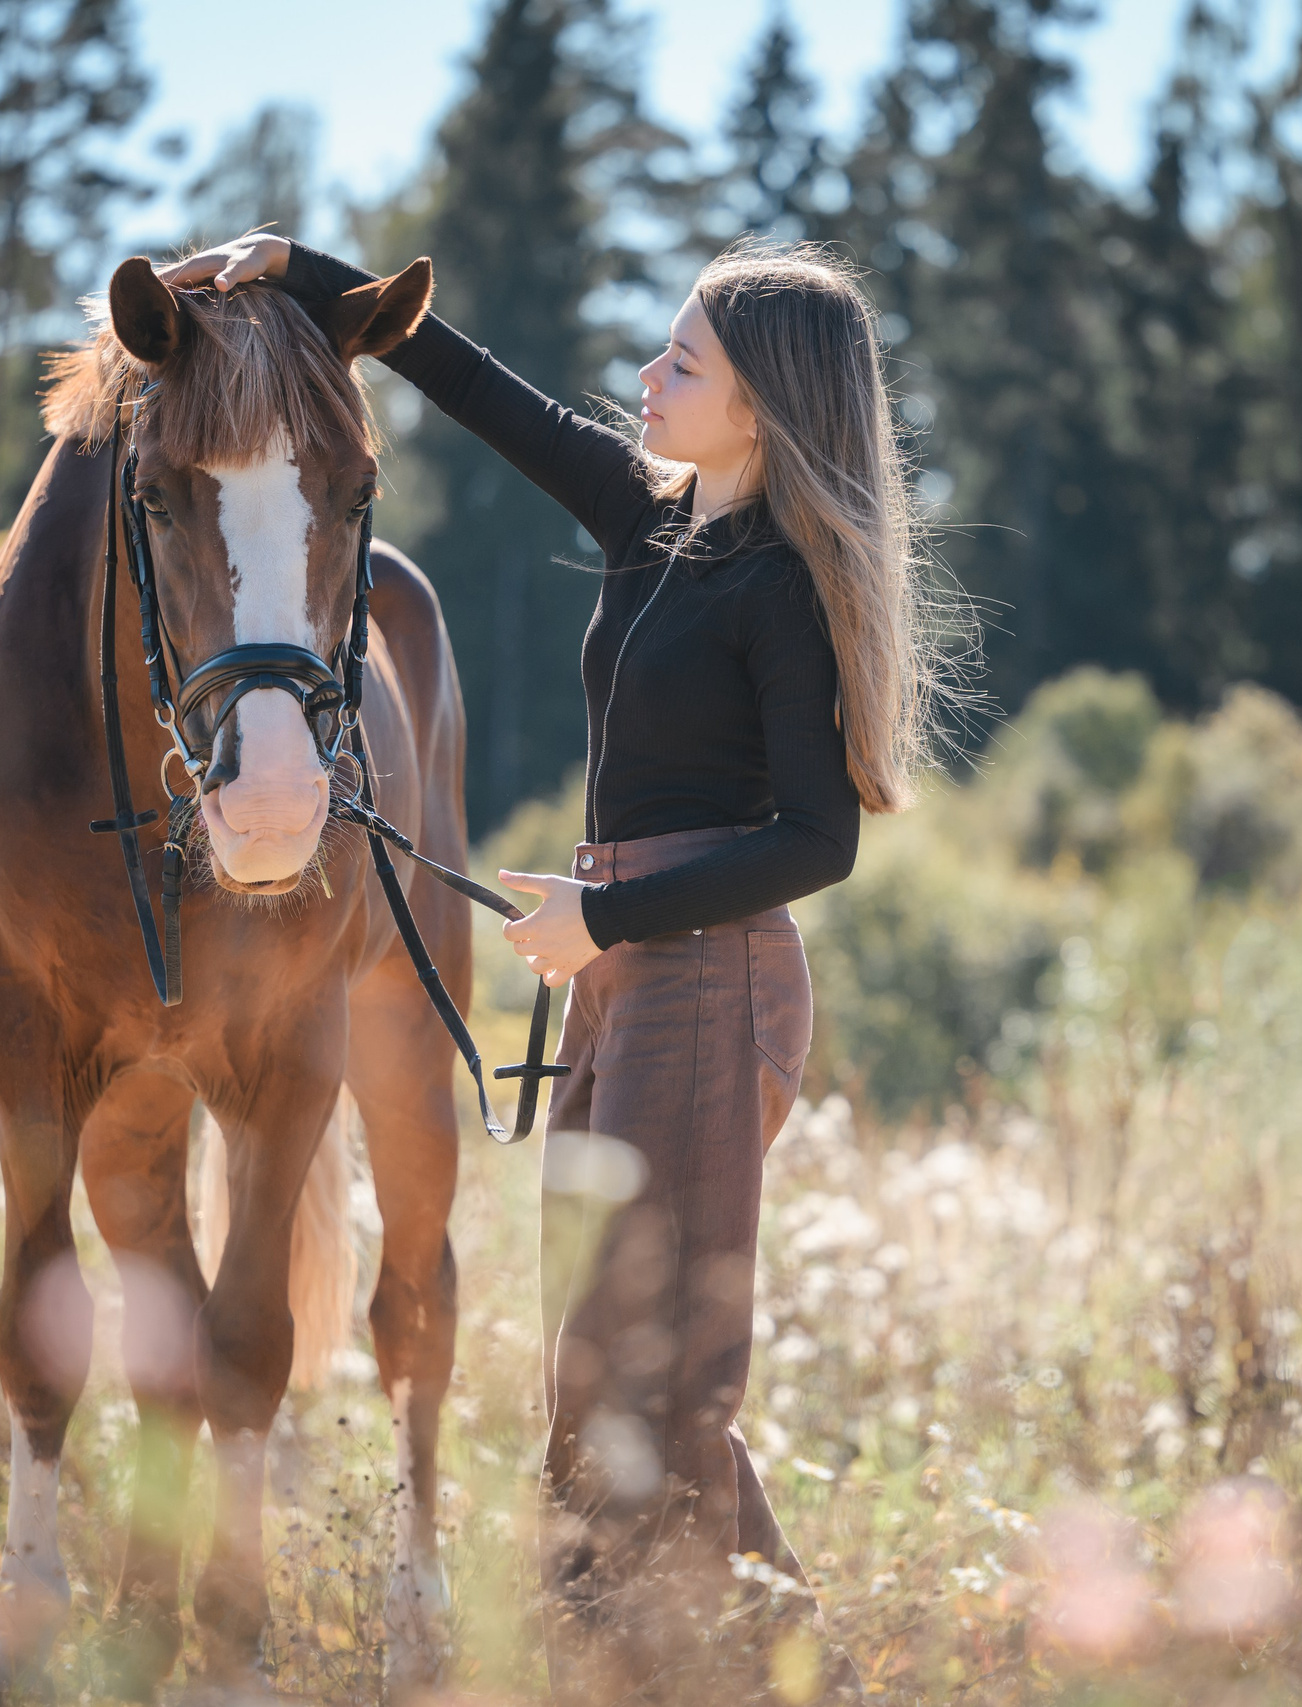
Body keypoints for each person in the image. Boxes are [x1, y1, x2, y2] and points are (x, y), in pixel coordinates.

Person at [166, 231, 948, 1700]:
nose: (646, 379)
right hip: (629, 971)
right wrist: (291, 261)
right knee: (610, 1388)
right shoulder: (646, 520)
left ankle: (670, 1672)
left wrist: (613, 918)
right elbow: (465, 377)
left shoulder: (779, 587)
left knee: (644, 1398)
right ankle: (807, 1679)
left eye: (682, 363)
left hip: (709, 985)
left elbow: (815, 841)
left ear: (762, 409)